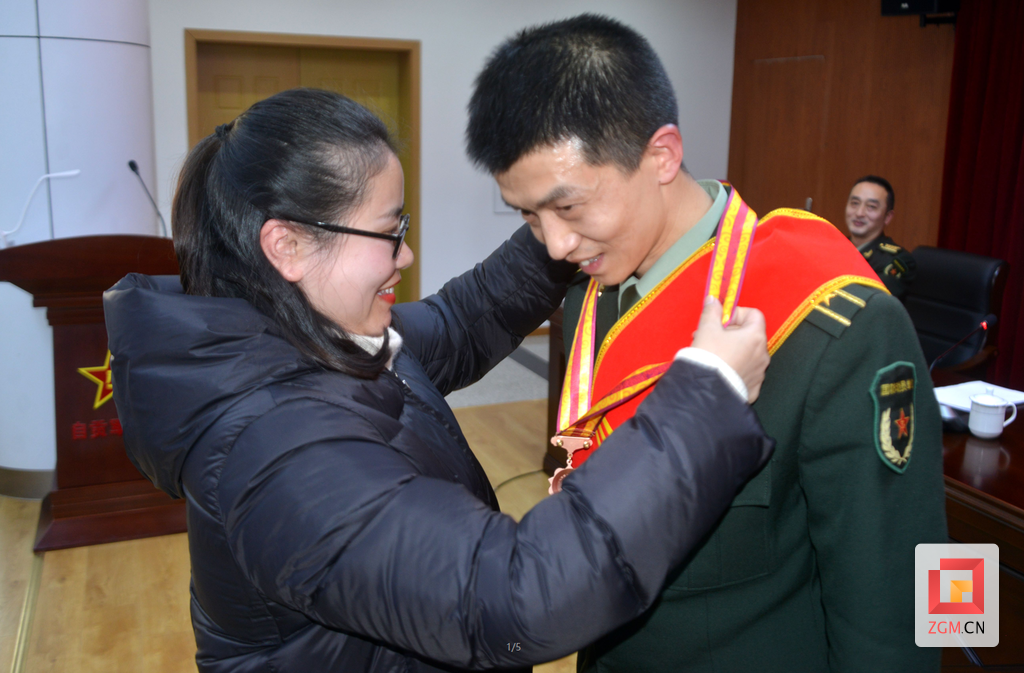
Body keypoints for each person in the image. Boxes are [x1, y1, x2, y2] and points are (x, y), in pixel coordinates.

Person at [102, 88, 774, 673]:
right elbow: (515, 596)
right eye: (389, 231)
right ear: (288, 246)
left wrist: (568, 220)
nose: (407, 254)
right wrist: (706, 394)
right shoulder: (274, 452)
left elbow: (465, 317)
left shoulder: (319, 335)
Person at [466, 15, 947, 672]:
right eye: (528, 215)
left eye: (569, 207)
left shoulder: (833, 321)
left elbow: (893, 604)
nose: (554, 245)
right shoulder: (591, 293)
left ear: (662, 155)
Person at [846, 175, 917, 300]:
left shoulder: (898, 261)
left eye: (871, 207)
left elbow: (867, 302)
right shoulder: (833, 247)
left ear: (887, 217)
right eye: (855, 203)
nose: (859, 213)